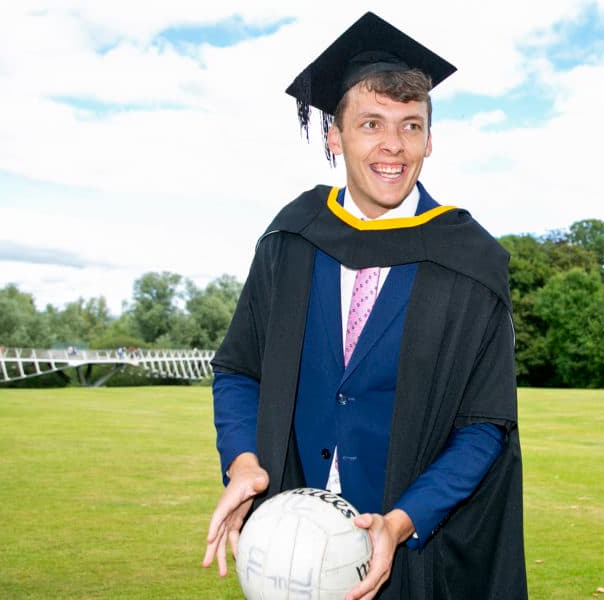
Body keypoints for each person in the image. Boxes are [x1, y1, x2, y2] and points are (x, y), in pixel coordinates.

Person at [202, 12, 526, 599]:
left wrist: (402, 522)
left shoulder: (471, 262)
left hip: (411, 554)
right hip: (293, 545)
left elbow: (485, 425)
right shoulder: (292, 239)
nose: (392, 146)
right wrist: (243, 463)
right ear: (335, 134)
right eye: (371, 123)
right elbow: (239, 370)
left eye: (410, 126)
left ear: (430, 140)